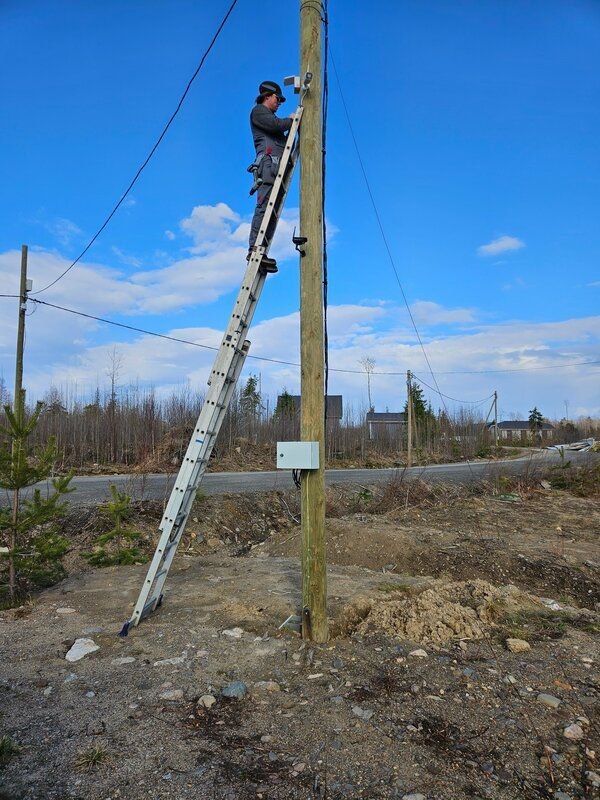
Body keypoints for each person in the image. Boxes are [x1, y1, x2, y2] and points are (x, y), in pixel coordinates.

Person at [247, 80, 293, 273]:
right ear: (267, 96)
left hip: (276, 167)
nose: (279, 102)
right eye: (277, 98)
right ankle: (255, 250)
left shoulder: (268, 115)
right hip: (268, 166)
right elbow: (276, 125)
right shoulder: (259, 112)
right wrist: (291, 120)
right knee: (264, 206)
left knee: (271, 211)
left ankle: (262, 251)